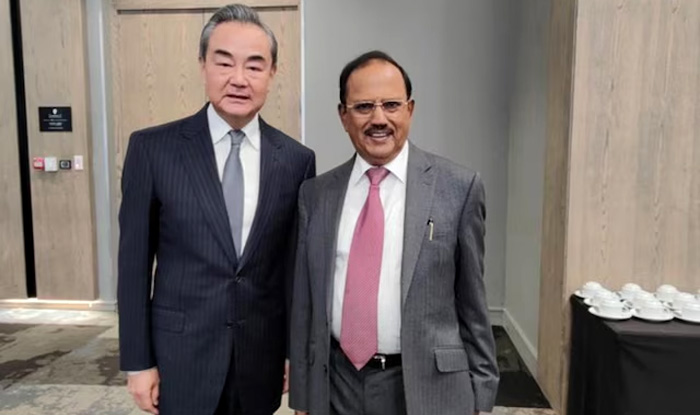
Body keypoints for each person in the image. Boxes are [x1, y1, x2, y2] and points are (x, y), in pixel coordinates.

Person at [117, 4, 315, 415]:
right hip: (179, 356)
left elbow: (292, 271)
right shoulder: (153, 150)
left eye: (254, 66)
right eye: (224, 62)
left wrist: (292, 353)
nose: (239, 79)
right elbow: (133, 265)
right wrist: (137, 362)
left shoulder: (296, 160)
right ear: (203, 65)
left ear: (272, 73)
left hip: (260, 358)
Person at [289, 51, 498, 415]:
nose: (379, 119)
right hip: (337, 384)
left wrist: (482, 393)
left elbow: (473, 305)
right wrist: (303, 396)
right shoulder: (316, 195)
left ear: (410, 109)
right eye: (363, 107)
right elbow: (305, 305)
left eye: (391, 105)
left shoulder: (458, 188)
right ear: (343, 116)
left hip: (427, 387)